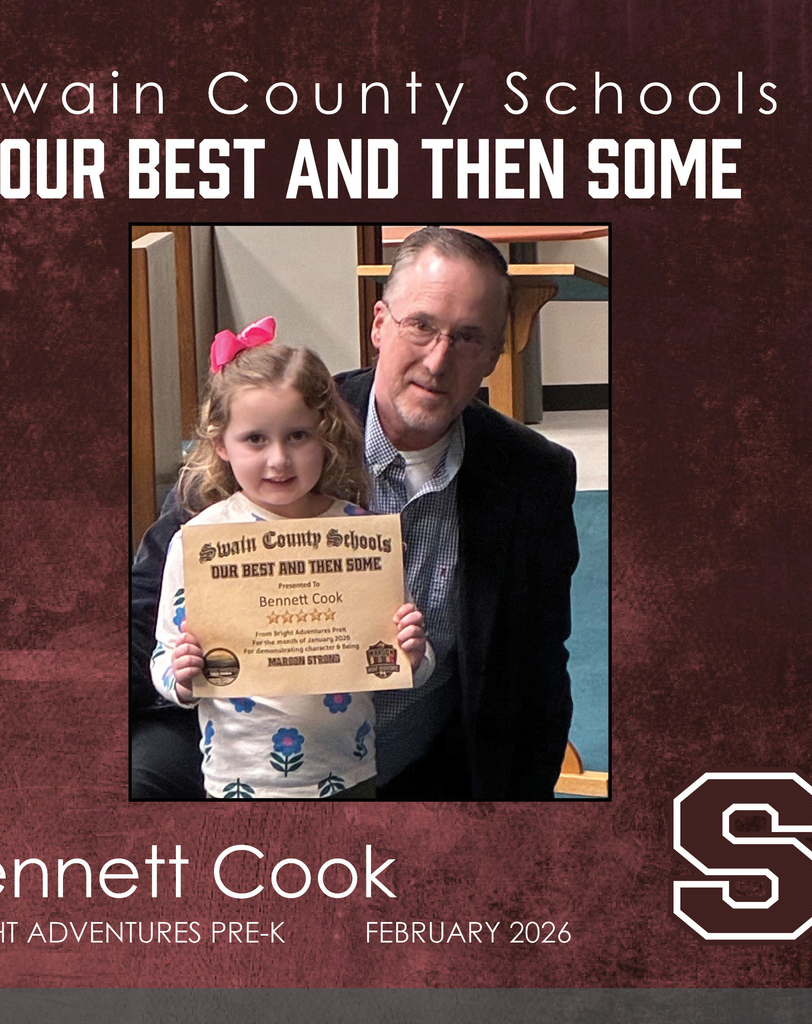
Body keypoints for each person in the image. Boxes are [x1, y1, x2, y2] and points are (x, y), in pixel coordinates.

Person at [131, 226, 578, 800]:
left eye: (468, 338)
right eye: (421, 325)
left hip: (408, 761)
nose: (437, 360)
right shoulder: (273, 436)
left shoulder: (532, 476)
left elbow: (538, 673)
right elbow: (142, 609)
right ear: (378, 326)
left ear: (494, 354)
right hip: (226, 746)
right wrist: (182, 675)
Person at [149, 321, 431, 799]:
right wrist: (180, 676)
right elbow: (162, 659)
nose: (278, 460)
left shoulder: (362, 536)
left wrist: (415, 651)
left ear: (326, 434)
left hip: (351, 773)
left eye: (297, 436)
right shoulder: (197, 542)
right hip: (237, 783)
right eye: (255, 439)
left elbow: (405, 665)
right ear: (221, 444)